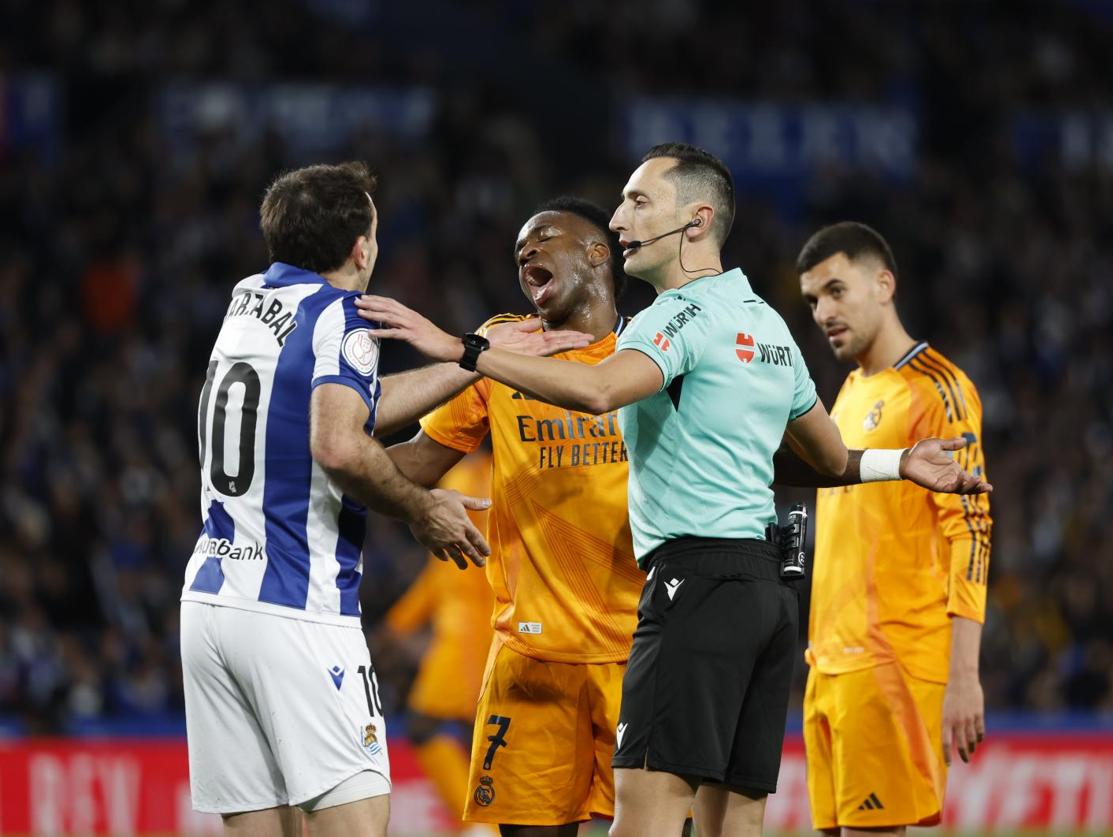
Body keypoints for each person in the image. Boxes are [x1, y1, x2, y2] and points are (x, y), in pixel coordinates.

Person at [356, 144, 989, 837]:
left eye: (637, 203)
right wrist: (896, 462)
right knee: (730, 824)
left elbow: (601, 392)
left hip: (676, 607)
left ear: (685, 224)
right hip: (670, 617)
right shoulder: (761, 324)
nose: (623, 216)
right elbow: (814, 456)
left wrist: (469, 351)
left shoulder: (663, 326)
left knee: (652, 822)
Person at [178, 161, 586, 837]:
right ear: (362, 247)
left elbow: (345, 409)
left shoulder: (248, 299)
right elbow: (339, 443)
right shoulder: (341, 317)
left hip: (211, 606)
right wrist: (421, 506)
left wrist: (469, 358)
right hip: (295, 608)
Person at [367, 196, 644, 837]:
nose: (528, 250)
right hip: (529, 657)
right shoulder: (501, 351)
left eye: (545, 236)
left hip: (643, 653)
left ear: (598, 252)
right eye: (520, 245)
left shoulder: (655, 349)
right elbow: (416, 464)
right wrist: (338, 461)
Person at [790, 221, 992, 833]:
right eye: (812, 300)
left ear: (883, 284)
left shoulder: (939, 387)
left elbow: (973, 530)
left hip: (893, 664)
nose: (824, 312)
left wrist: (964, 676)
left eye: (836, 290)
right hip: (829, 665)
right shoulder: (848, 393)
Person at [383, 452, 496, 835]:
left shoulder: (469, 479)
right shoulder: (476, 474)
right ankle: (484, 824)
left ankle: (477, 826)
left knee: (424, 724)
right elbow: (439, 572)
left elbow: (460, 561)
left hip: (472, 630)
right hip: (475, 626)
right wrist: (401, 621)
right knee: (473, 737)